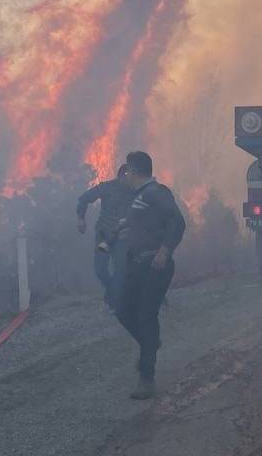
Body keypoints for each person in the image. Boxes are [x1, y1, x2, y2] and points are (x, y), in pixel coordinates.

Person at [114, 151, 185, 400]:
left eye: (128, 171)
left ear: (134, 171)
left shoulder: (157, 192)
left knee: (145, 315)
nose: (126, 175)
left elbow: (177, 222)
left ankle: (146, 378)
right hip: (137, 263)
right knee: (122, 308)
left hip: (155, 265)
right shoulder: (140, 197)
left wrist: (165, 251)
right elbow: (145, 225)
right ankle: (150, 343)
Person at [77, 164, 135, 312]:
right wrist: (81, 219)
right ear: (122, 176)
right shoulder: (106, 187)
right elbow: (84, 199)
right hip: (103, 236)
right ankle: (112, 292)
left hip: (122, 237)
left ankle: (116, 302)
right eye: (129, 176)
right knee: (100, 269)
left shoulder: (135, 191)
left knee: (120, 270)